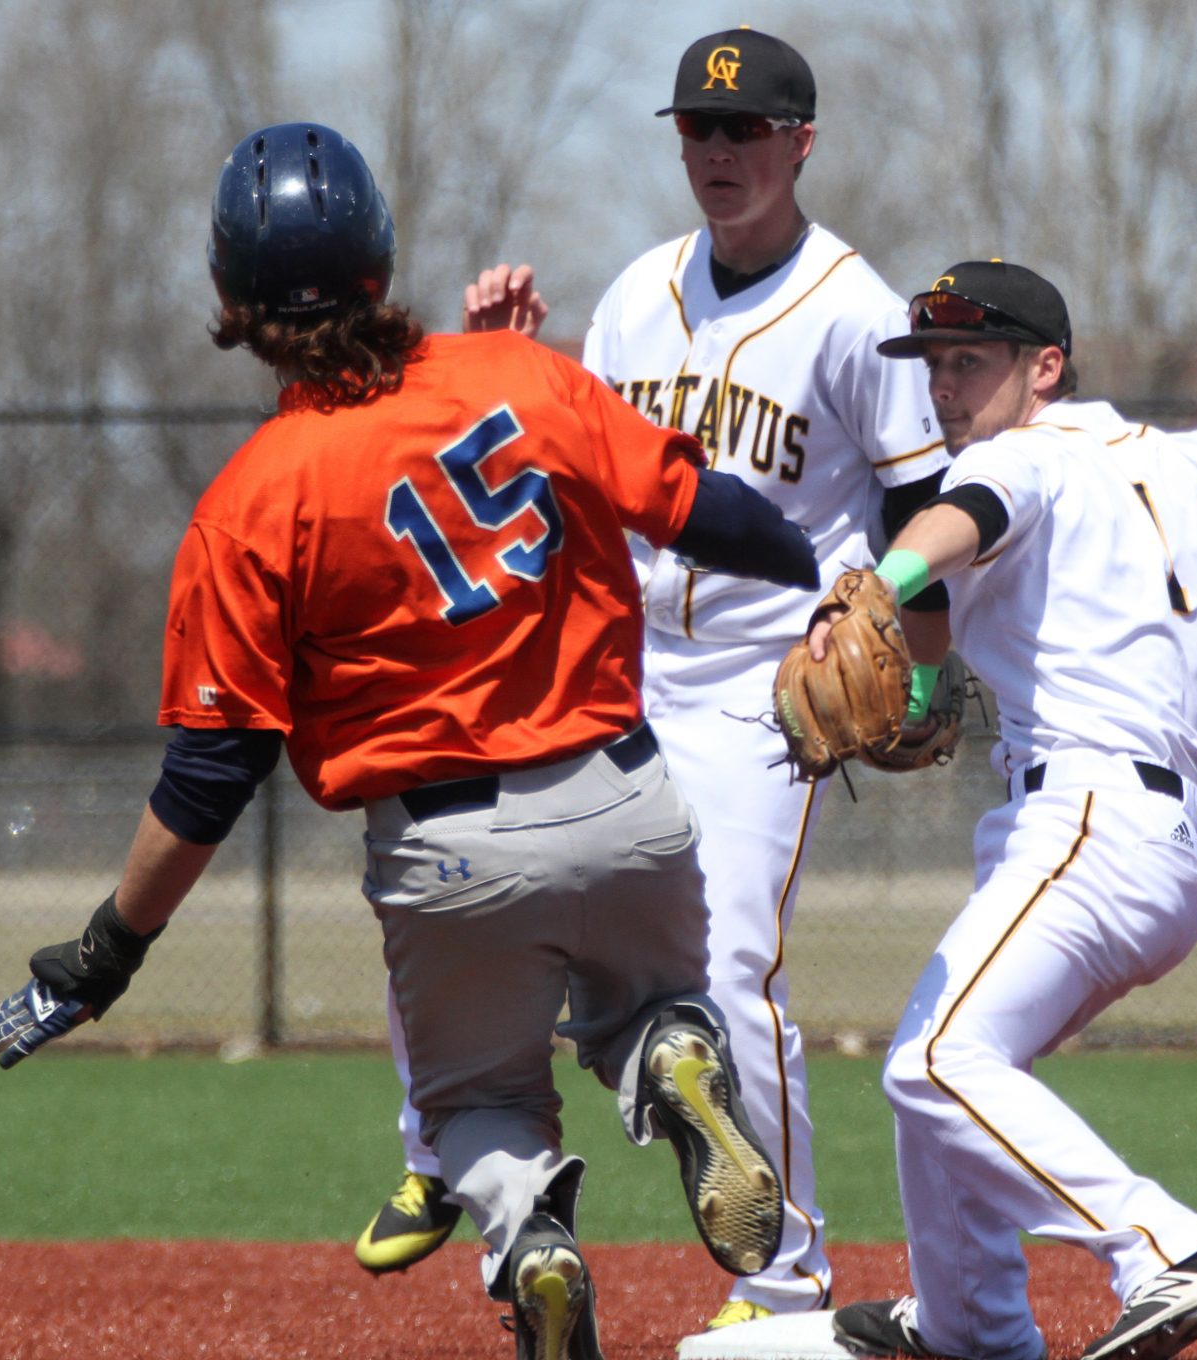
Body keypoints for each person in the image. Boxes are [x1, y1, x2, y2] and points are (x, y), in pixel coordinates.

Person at [0, 122, 810, 1360]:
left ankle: (534, 1243)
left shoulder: (254, 499)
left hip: (450, 852)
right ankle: (669, 1053)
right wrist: (844, 581)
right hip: (626, 799)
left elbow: (211, 777)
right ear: (381, 256)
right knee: (651, 1005)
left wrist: (103, 953)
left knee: (477, 1108)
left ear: (228, 297)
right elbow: (707, 513)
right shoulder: (524, 378)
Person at [355, 27, 951, 1335]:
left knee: (730, 965)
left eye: (746, 130)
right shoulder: (634, 298)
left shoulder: (857, 315)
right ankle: (451, 1161)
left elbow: (930, 513)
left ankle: (783, 1284)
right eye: (698, 130)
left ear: (804, 141)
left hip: (765, 686)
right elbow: (561, 465)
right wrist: (513, 363)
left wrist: (919, 657)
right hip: (618, 673)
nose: (720, 153)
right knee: (470, 877)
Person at [704, 261, 1197, 1360]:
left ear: (1045, 367)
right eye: (930, 364)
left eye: (968, 362)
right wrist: (928, 685)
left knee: (931, 1065)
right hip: (1166, 852)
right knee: (947, 1070)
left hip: (1088, 820)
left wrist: (879, 581)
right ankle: (971, 1326)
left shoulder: (1016, 457)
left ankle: (1161, 1248)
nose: (942, 387)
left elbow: (967, 520)